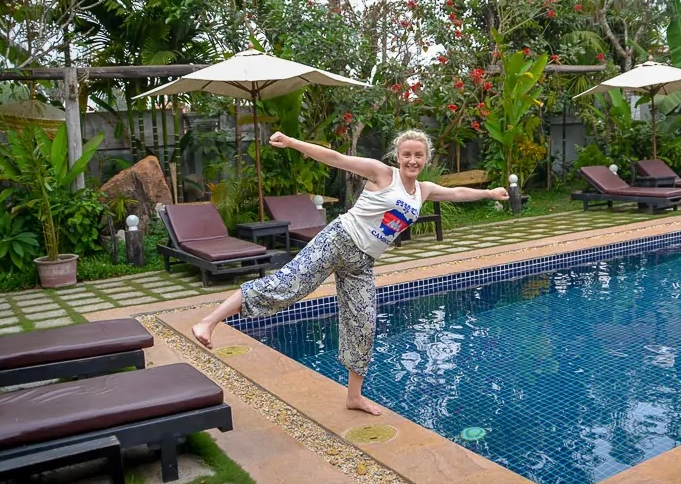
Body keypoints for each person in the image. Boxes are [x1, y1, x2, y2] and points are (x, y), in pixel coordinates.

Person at [191, 128, 510, 415]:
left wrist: (489, 193)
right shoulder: (382, 173)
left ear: (426, 158)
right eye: (407, 154)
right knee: (287, 286)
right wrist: (290, 141)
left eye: (418, 155)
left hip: (362, 262)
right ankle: (208, 322)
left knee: (364, 323)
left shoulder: (422, 190)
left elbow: (456, 193)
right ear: (397, 156)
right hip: (338, 240)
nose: (412, 160)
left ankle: (353, 397)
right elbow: (335, 158)